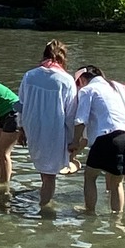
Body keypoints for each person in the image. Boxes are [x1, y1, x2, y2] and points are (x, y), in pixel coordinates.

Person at [73, 64, 125, 209]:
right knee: (117, 183)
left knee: (90, 177)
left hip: (109, 138)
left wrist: (74, 142)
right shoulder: (116, 86)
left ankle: (89, 213)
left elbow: (80, 120)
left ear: (83, 79)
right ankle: (118, 222)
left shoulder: (88, 90)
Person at [15, 41, 79, 212]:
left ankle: (45, 200)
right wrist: (73, 141)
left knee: (44, 170)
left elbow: (20, 104)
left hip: (33, 126)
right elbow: (71, 113)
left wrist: (21, 128)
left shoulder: (30, 75)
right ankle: (46, 209)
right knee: (50, 174)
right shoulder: (66, 80)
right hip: (54, 128)